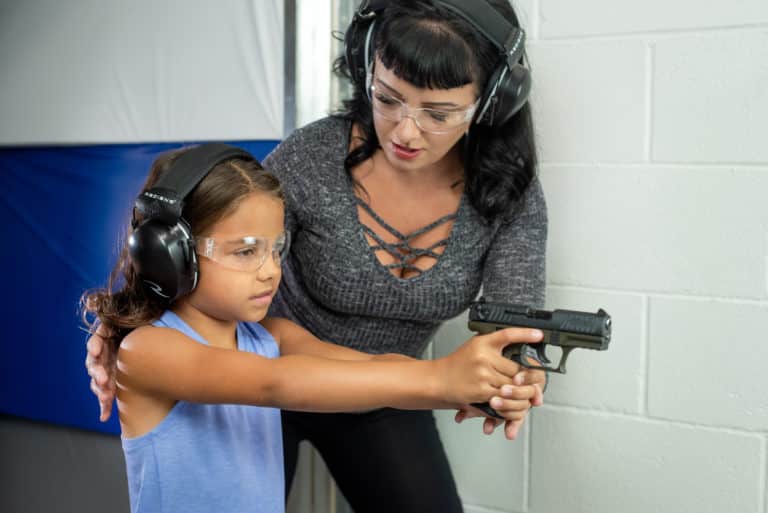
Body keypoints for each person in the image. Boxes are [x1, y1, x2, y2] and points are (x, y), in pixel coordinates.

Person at [86, 1, 548, 512]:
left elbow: (509, 331)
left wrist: (504, 379)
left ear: (489, 104)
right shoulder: (309, 161)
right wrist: (130, 318)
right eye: (387, 99)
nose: (404, 130)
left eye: (437, 114)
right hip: (256, 372)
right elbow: (220, 242)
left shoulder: (509, 192)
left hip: (380, 380)